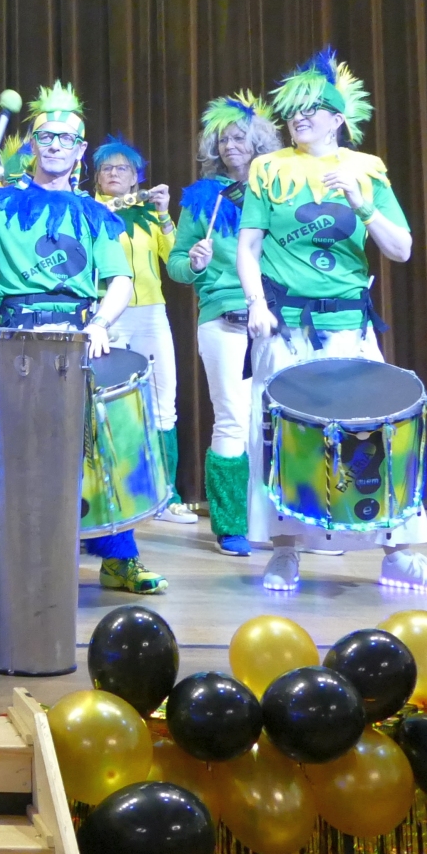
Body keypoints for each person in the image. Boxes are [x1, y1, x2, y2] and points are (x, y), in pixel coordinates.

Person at [236, 49, 427, 594]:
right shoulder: (268, 169)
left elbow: (402, 249)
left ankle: (399, 554)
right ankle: (285, 552)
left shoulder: (367, 169)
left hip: (349, 327)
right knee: (276, 437)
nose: (300, 116)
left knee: (379, 433)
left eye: (313, 108)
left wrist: (365, 206)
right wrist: (257, 304)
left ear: (339, 118)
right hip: (287, 325)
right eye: (293, 109)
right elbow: (248, 246)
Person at [0, 82, 167, 595]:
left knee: (97, 447)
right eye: (46, 136)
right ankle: (17, 556)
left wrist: (99, 325)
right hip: (16, 334)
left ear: (81, 149)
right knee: (17, 452)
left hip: (79, 337)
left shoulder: (96, 214)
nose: (56, 145)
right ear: (31, 145)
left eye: (66, 138)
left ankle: (117, 556)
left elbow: (121, 281)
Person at [167, 92, 281, 556]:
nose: (229, 146)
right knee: (232, 418)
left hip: (275, 318)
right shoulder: (202, 200)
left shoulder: (278, 191)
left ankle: (286, 523)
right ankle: (231, 524)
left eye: (239, 138)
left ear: (258, 143)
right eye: (222, 139)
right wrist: (193, 262)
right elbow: (175, 264)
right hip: (223, 319)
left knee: (279, 421)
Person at [90, 135, 193, 525]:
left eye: (122, 168)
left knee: (164, 402)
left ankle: (167, 496)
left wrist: (165, 213)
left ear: (136, 177)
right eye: (106, 168)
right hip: (103, 316)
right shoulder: (87, 210)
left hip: (150, 312)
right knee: (105, 405)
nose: (113, 173)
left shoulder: (149, 215)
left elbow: (174, 259)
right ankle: (111, 493)